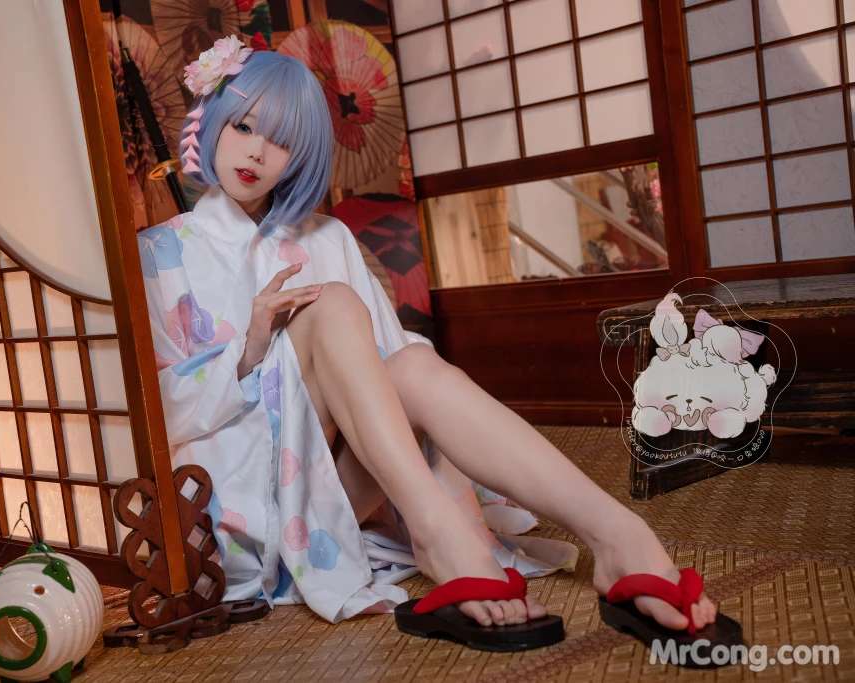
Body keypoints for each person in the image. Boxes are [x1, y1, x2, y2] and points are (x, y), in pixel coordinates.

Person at [137, 36, 726, 654]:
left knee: (414, 361)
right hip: (247, 495)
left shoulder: (326, 237)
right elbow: (162, 418)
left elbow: (393, 375)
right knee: (333, 304)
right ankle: (441, 535)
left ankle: (615, 535)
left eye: (281, 140)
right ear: (213, 121)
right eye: (243, 125)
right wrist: (252, 350)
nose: (257, 151)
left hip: (340, 481)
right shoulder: (160, 253)